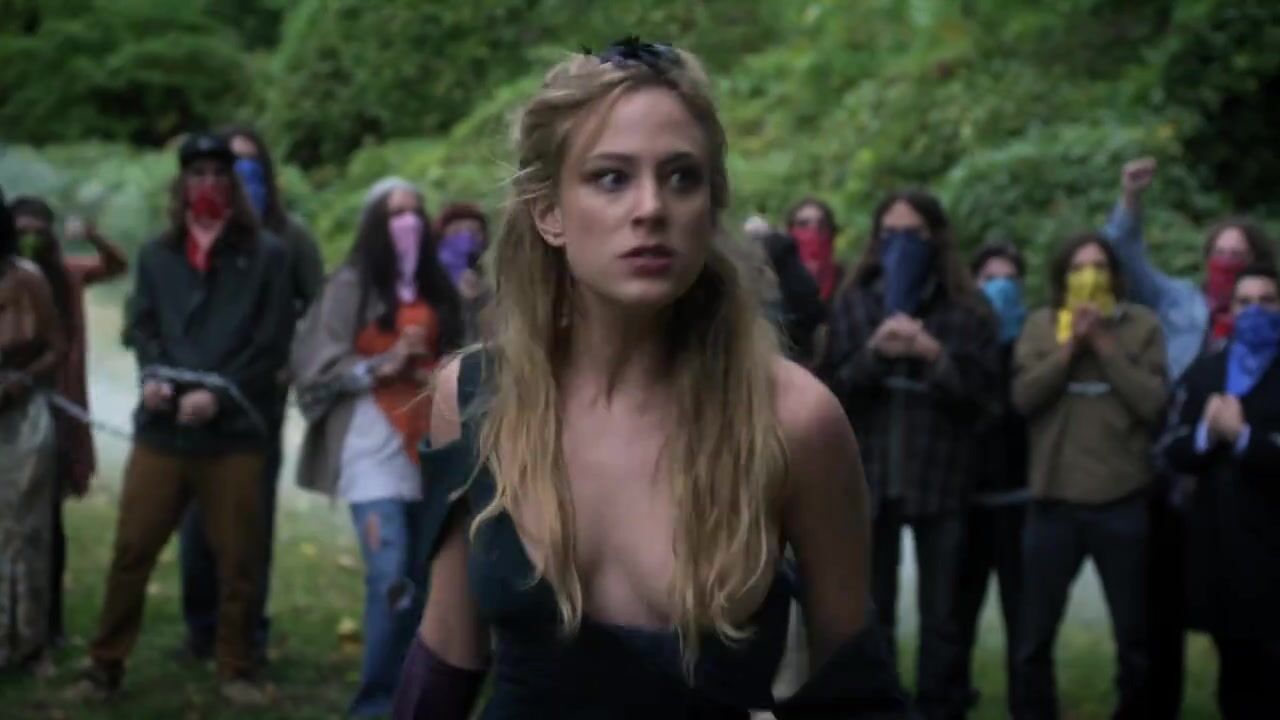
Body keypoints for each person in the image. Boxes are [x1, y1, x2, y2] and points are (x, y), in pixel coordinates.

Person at [392, 39, 904, 719]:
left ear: (710, 208)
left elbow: (856, 694)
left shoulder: (793, 419)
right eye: (611, 178)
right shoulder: (477, 393)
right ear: (549, 212)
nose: (652, 208)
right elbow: (447, 653)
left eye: (682, 177)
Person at [67, 132, 294, 704]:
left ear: (233, 184)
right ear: (182, 184)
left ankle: (236, 666)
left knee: (238, 560)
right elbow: (142, 325)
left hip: (233, 435)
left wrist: (219, 396)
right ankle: (104, 665)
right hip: (163, 431)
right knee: (131, 550)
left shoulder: (266, 255)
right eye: (198, 173)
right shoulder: (157, 254)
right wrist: (154, 377)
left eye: (219, 173)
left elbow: (271, 341)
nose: (208, 183)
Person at [1102, 157, 1276, 717]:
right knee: (1159, 614)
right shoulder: (1179, 304)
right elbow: (1122, 257)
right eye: (1219, 254)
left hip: (1248, 495)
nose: (1227, 264)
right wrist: (1131, 199)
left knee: (1245, 627)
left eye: (1238, 256)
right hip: (1176, 481)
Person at [821, 189, 1001, 718]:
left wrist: (933, 356)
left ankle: (939, 707)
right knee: (871, 612)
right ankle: (878, 707)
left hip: (940, 479)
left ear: (936, 239)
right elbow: (830, 395)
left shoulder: (966, 311)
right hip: (870, 480)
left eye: (914, 235)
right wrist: (875, 354)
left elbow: (987, 403)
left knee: (943, 615)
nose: (902, 245)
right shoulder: (855, 305)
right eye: (891, 234)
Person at [291, 177, 462, 717]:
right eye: (394, 214)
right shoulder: (349, 286)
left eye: (414, 212)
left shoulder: (439, 287)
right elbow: (316, 367)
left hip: (431, 448)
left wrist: (431, 368)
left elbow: (464, 354)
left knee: (423, 580)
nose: (406, 223)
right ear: (374, 225)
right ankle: (375, 705)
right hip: (370, 447)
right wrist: (383, 364)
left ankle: (414, 699)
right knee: (390, 576)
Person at [178, 125, 324, 663]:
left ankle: (246, 633)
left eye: (249, 165)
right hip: (196, 393)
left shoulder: (291, 237)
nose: (238, 177)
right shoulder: (195, 233)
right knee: (196, 517)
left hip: (258, 399)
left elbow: (321, 310)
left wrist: (293, 362)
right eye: (228, 165)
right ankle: (200, 629)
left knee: (249, 518)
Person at [1012, 233, 1167, 719]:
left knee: (1135, 637)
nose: (1090, 277)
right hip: (1053, 502)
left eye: (1099, 267)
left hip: (1122, 501)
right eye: (1079, 268)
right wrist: (1069, 350)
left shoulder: (1142, 326)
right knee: (1034, 636)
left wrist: (1105, 346)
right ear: (1062, 277)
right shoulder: (1040, 326)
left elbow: (1154, 403)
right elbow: (1023, 398)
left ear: (1115, 275)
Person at [9, 195, 129, 647]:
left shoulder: (67, 274)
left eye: (38, 231)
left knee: (47, 519)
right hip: (15, 405)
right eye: (22, 231)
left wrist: (93, 235)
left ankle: (49, 622)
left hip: (60, 406)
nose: (31, 240)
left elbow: (116, 266)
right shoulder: (12, 280)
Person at [1161, 264, 1280, 718]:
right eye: (1245, 302)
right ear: (1229, 310)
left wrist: (1244, 437)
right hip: (1224, 544)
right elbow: (1173, 448)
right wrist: (1207, 435)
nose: (1255, 311)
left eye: (1267, 301)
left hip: (1274, 540)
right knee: (1237, 671)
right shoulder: (1207, 370)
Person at [956, 241, 1029, 715]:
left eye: (1009, 280)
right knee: (956, 615)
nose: (999, 289)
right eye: (989, 279)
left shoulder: (1035, 345)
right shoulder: (957, 341)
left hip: (1021, 499)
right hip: (965, 501)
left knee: (1023, 617)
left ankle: (1027, 704)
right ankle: (951, 698)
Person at [0, 188, 65, 671]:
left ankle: (26, 639)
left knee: (25, 529)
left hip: (22, 417)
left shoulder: (28, 280)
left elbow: (57, 346)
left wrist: (22, 380)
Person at [434, 202, 490, 343]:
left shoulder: (498, 284)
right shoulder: (428, 288)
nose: (466, 239)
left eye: (474, 232)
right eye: (456, 233)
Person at [786, 198, 843, 303]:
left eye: (822, 225)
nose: (813, 231)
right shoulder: (777, 287)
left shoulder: (850, 285)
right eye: (803, 224)